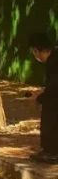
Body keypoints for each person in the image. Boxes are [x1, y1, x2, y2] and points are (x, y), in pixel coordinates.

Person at [28, 31, 58, 162]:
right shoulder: (54, 58)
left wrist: (40, 98)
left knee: (50, 112)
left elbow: (54, 88)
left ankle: (52, 151)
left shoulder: (54, 62)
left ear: (36, 50)